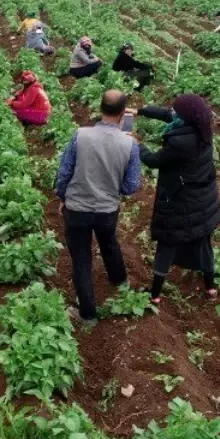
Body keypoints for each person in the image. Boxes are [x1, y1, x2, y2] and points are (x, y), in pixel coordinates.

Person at [55, 90, 142, 327]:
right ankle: (120, 282)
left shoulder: (80, 135)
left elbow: (64, 173)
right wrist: (114, 187)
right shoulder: (130, 145)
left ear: (100, 108)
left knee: (81, 258)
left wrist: (62, 196)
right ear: (124, 113)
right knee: (109, 243)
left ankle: (88, 315)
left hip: (77, 208)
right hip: (106, 210)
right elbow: (132, 186)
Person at [137, 94, 220, 303]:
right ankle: (211, 289)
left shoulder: (180, 143)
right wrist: (141, 110)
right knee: (203, 244)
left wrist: (136, 144)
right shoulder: (202, 129)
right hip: (202, 200)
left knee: (167, 243)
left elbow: (154, 160)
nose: (172, 111)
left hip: (180, 201)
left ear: (185, 117)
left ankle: (155, 295)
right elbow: (169, 115)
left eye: (177, 110)